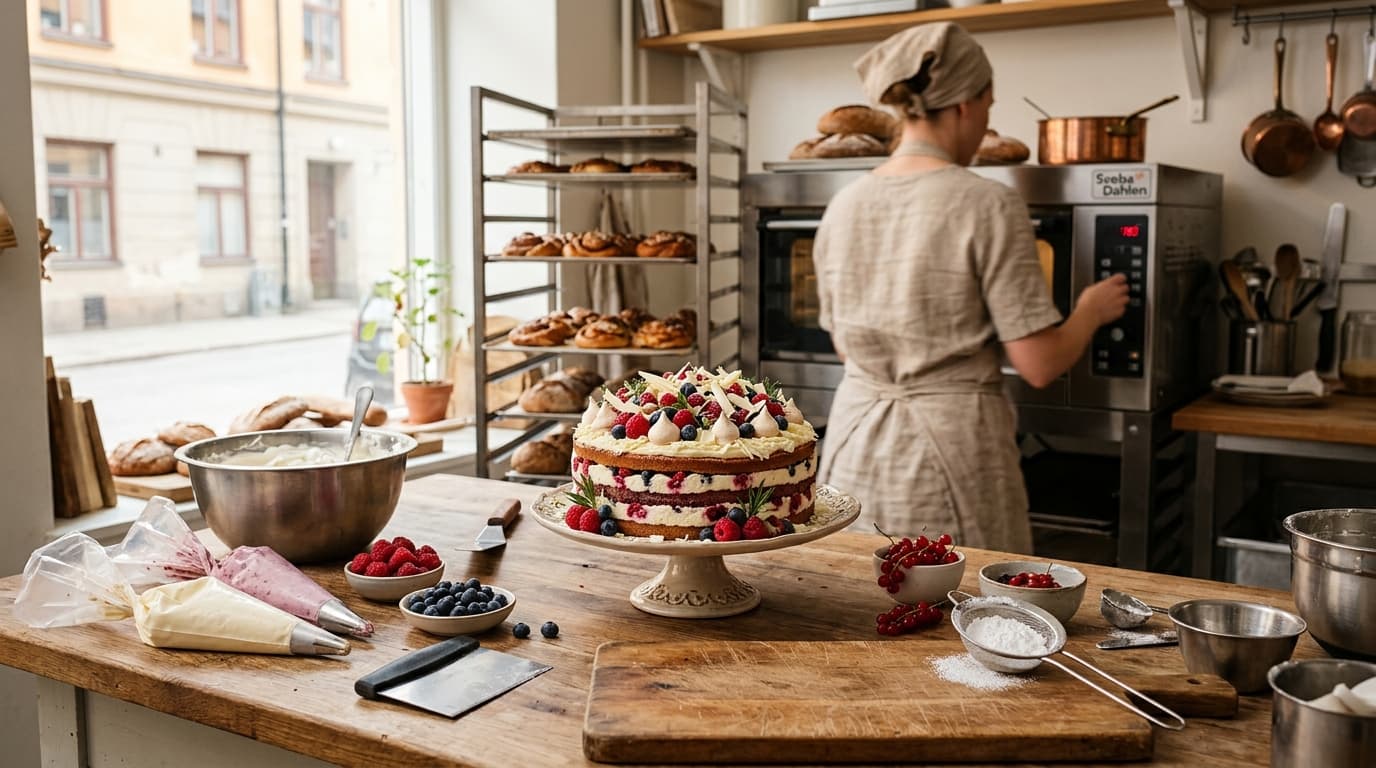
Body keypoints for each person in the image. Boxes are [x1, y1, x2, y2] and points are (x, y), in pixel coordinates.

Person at [812, 22, 1129, 553]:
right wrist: (1090, 311)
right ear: (964, 105)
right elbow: (1039, 363)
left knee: (851, 587)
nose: (985, 123)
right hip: (949, 452)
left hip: (854, 445)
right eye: (988, 105)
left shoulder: (843, 204)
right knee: (954, 594)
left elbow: (847, 349)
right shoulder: (987, 202)